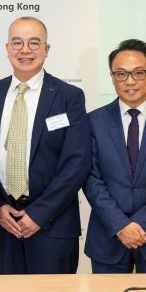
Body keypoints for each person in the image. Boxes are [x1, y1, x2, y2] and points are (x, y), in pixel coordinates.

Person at [0, 16, 91, 274]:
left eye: (34, 43)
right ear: (7, 49)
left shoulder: (69, 97)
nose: (25, 50)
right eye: (17, 43)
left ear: (46, 49)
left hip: (54, 225)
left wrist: (39, 214)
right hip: (4, 223)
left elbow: (77, 162)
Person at [84, 39, 146, 273]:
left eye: (138, 73)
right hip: (107, 237)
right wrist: (121, 225)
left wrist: (138, 224)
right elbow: (90, 179)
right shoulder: (93, 121)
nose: (130, 81)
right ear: (111, 77)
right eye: (121, 74)